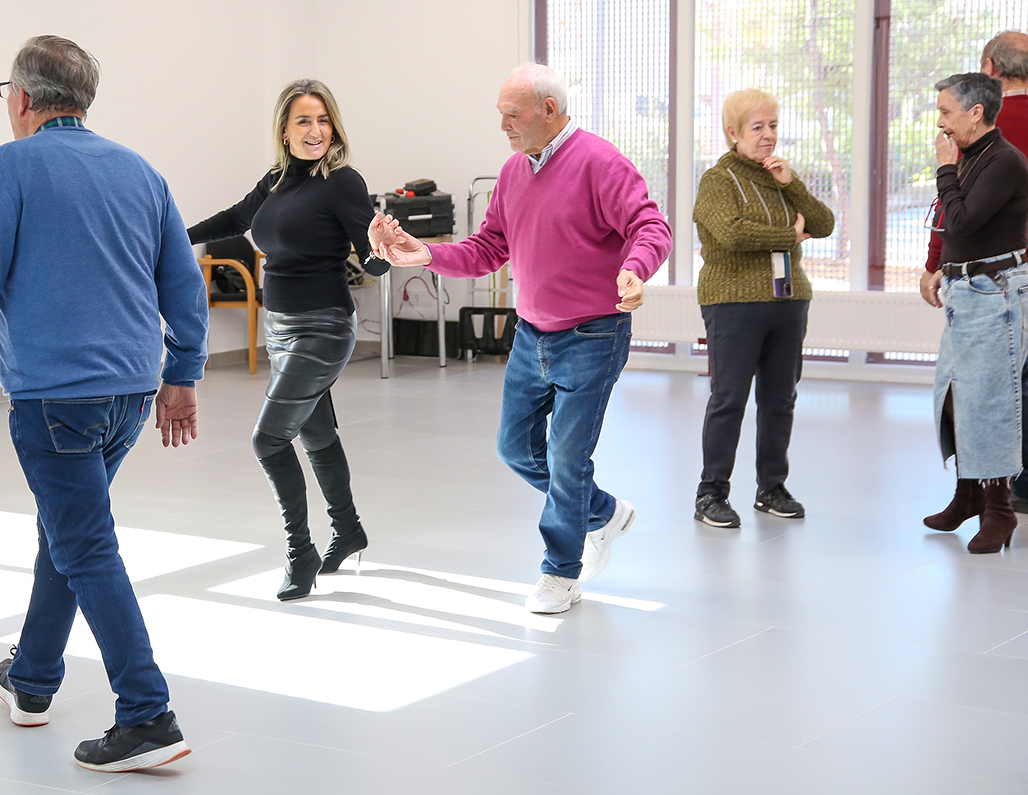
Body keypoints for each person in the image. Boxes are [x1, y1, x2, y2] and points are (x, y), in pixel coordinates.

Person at [0, 36, 207, 772]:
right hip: (130, 393)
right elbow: (182, 283)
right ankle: (31, 681)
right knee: (68, 533)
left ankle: (147, 715)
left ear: (23, 98)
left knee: (84, 544)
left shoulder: (11, 166)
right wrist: (183, 373)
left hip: (55, 398)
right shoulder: (139, 170)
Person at [371, 64, 671, 614]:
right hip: (531, 334)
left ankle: (561, 573)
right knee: (514, 449)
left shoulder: (601, 163)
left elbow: (651, 227)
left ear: (549, 111)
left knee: (567, 456)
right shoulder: (513, 173)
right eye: (500, 114)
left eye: (513, 114)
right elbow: (488, 248)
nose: (503, 125)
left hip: (594, 333)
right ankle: (602, 514)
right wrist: (426, 253)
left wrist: (636, 267)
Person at [188, 79, 389, 601]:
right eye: (304, 120)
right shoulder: (276, 180)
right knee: (315, 434)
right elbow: (237, 217)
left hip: (323, 327)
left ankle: (300, 553)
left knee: (268, 437)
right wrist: (173, 234)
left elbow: (370, 249)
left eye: (323, 120)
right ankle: (348, 530)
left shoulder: (343, 181)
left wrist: (383, 254)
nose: (315, 130)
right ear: (284, 128)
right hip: (279, 326)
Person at [689, 89, 835, 529]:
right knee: (729, 400)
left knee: (780, 400)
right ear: (733, 133)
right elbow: (732, 234)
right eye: (758, 127)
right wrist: (790, 236)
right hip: (732, 302)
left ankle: (772, 488)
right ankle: (710, 493)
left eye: (773, 125)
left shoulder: (780, 177)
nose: (768, 135)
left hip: (788, 300)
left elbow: (824, 224)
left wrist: (792, 185)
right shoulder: (717, 181)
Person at [919, 32, 1028, 512]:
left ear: (989, 70)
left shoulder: (996, 154)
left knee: (991, 396)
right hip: (981, 280)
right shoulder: (977, 147)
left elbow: (957, 216)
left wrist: (933, 261)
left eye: (945, 112)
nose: (941, 123)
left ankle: (997, 503)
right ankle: (977, 493)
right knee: (970, 388)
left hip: (999, 284)